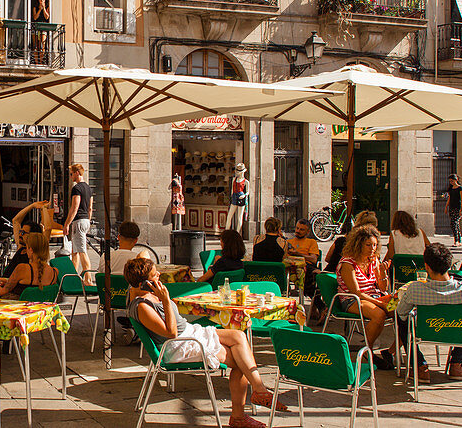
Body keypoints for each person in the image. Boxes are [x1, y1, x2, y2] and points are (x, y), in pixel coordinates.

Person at [125, 257, 288, 428]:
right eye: (154, 276)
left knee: (239, 336)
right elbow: (171, 333)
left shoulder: (149, 294)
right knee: (240, 361)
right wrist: (165, 301)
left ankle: (259, 390)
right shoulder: (142, 307)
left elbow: (133, 285)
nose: (159, 275)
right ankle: (240, 415)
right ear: (143, 283)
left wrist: (156, 294)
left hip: (190, 333)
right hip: (179, 345)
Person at [392, 242, 462, 383]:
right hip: (459, 330)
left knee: (402, 319)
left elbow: (401, 313)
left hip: (428, 331)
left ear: (427, 267)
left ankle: (418, 365)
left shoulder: (415, 290)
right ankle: (457, 364)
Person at [336, 224, 392, 369]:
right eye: (368, 245)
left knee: (404, 312)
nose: (372, 248)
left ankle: (392, 352)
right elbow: (356, 292)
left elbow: (382, 288)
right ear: (359, 244)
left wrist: (382, 274)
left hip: (374, 296)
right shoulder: (348, 263)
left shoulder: (373, 260)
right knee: (379, 315)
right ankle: (368, 351)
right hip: (352, 299)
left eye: (374, 245)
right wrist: (380, 303)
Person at [0, 232, 57, 298]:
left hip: (17, 309)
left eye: (27, 247)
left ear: (31, 250)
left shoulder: (23, 268)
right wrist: (6, 281)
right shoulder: (54, 272)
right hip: (38, 310)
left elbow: (2, 292)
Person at [63, 163, 94, 285]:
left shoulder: (77, 189)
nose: (71, 177)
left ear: (77, 173)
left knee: (81, 251)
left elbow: (74, 207)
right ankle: (73, 277)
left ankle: (88, 279)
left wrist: (67, 224)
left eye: (71, 174)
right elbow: (90, 208)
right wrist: (88, 221)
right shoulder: (88, 188)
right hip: (85, 220)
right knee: (75, 251)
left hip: (79, 221)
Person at [4, 199, 53, 274]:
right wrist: (32, 205)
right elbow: (16, 221)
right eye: (20, 231)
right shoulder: (21, 246)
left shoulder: (38, 251)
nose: (20, 234)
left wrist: (44, 208)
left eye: (23, 233)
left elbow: (48, 228)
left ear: (32, 235)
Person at [285, 217, 321, 297]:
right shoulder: (288, 242)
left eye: (301, 230)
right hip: (291, 266)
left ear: (307, 232)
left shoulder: (311, 242)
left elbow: (313, 259)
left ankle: (319, 305)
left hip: (306, 266)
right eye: (297, 228)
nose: (298, 231)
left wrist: (298, 254)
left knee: (309, 274)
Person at [224, 163, 249, 231]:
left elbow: (248, 192)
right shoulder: (234, 179)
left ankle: (237, 233)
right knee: (229, 216)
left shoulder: (246, 181)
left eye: (240, 171)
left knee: (239, 217)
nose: (239, 173)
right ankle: (226, 231)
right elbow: (232, 189)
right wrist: (231, 197)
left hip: (241, 197)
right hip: (234, 197)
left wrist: (244, 195)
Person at [444, 174, 462, 245]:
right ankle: (459, 240)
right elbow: (449, 198)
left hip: (457, 207)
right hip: (451, 207)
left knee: (454, 223)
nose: (451, 182)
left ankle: (456, 240)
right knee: (455, 224)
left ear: (456, 180)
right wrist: (446, 207)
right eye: (450, 181)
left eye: (452, 181)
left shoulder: (460, 188)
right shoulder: (451, 189)